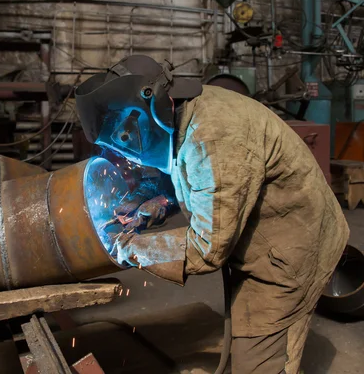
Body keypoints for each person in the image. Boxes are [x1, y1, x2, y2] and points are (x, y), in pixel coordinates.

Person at [75, 55, 349, 374]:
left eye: (126, 141)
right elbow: (185, 172)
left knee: (258, 360)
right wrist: (152, 204)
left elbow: (208, 249)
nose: (128, 152)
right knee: (244, 329)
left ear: (150, 110)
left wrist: (130, 248)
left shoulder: (214, 140)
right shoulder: (183, 113)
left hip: (295, 246)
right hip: (261, 235)